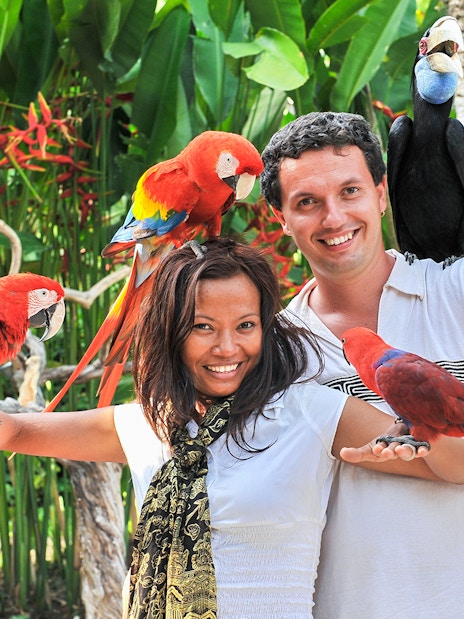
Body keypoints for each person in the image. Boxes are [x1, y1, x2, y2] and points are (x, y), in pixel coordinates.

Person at [1, 239, 463, 619]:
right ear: (172, 332)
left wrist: (415, 446)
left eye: (245, 325)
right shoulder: (150, 422)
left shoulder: (308, 411)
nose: (227, 347)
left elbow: (454, 467)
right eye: (203, 327)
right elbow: (17, 433)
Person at [260, 111, 464, 618]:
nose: (333, 218)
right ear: (282, 219)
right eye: (307, 202)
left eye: (349, 191)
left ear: (381, 192)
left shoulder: (456, 292)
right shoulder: (273, 351)